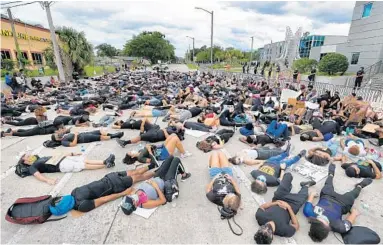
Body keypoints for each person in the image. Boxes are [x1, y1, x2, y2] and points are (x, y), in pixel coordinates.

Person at [303, 163, 373, 242]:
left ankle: (331, 174)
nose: (322, 219)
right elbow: (349, 221)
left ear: (313, 222)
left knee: (327, 187)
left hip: (326, 196)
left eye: (319, 221)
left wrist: (312, 195)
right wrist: (354, 214)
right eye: (324, 223)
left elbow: (309, 200)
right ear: (328, 228)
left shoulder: (309, 213)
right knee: (351, 196)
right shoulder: (339, 227)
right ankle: (360, 186)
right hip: (342, 204)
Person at [49, 166, 157, 215]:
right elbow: (104, 199)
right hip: (112, 181)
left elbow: (102, 196)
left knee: (136, 174)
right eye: (60, 199)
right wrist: (125, 192)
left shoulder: (77, 199)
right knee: (137, 174)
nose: (61, 197)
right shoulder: (78, 200)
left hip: (112, 181)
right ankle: (155, 168)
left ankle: (155, 168)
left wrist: (124, 192)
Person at [254, 173, 316, 244]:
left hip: (279, 198)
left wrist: (275, 203)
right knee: (304, 196)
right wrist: (289, 208)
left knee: (288, 175)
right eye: (267, 232)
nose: (266, 228)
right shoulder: (284, 231)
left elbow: (261, 207)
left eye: (262, 229)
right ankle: (305, 185)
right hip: (292, 205)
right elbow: (296, 226)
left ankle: (288, 187)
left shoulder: (260, 217)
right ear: (272, 237)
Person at [120, 156, 191, 214]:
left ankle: (175, 170)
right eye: (133, 201)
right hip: (166, 182)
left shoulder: (132, 193)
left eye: (130, 197)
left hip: (157, 177)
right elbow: (163, 201)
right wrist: (156, 187)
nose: (133, 198)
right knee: (176, 160)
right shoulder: (145, 204)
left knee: (170, 158)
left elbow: (129, 190)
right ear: (134, 206)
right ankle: (184, 175)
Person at [16, 152, 116, 185]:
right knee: (83, 166)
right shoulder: (32, 167)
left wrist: (72, 153)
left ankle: (105, 161)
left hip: (63, 158)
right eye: (26, 156)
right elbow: (37, 175)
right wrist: (48, 180)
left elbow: (55, 156)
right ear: (24, 161)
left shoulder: (38, 158)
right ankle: (105, 164)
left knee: (84, 160)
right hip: (61, 166)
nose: (28, 155)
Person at [51, 129, 124, 147]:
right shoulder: (63, 142)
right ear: (57, 139)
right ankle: (115, 136)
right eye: (57, 136)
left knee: (100, 131)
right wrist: (76, 135)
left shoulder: (64, 135)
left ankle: (114, 134)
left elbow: (63, 129)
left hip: (83, 134)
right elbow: (73, 144)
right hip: (84, 138)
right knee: (99, 137)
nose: (59, 134)